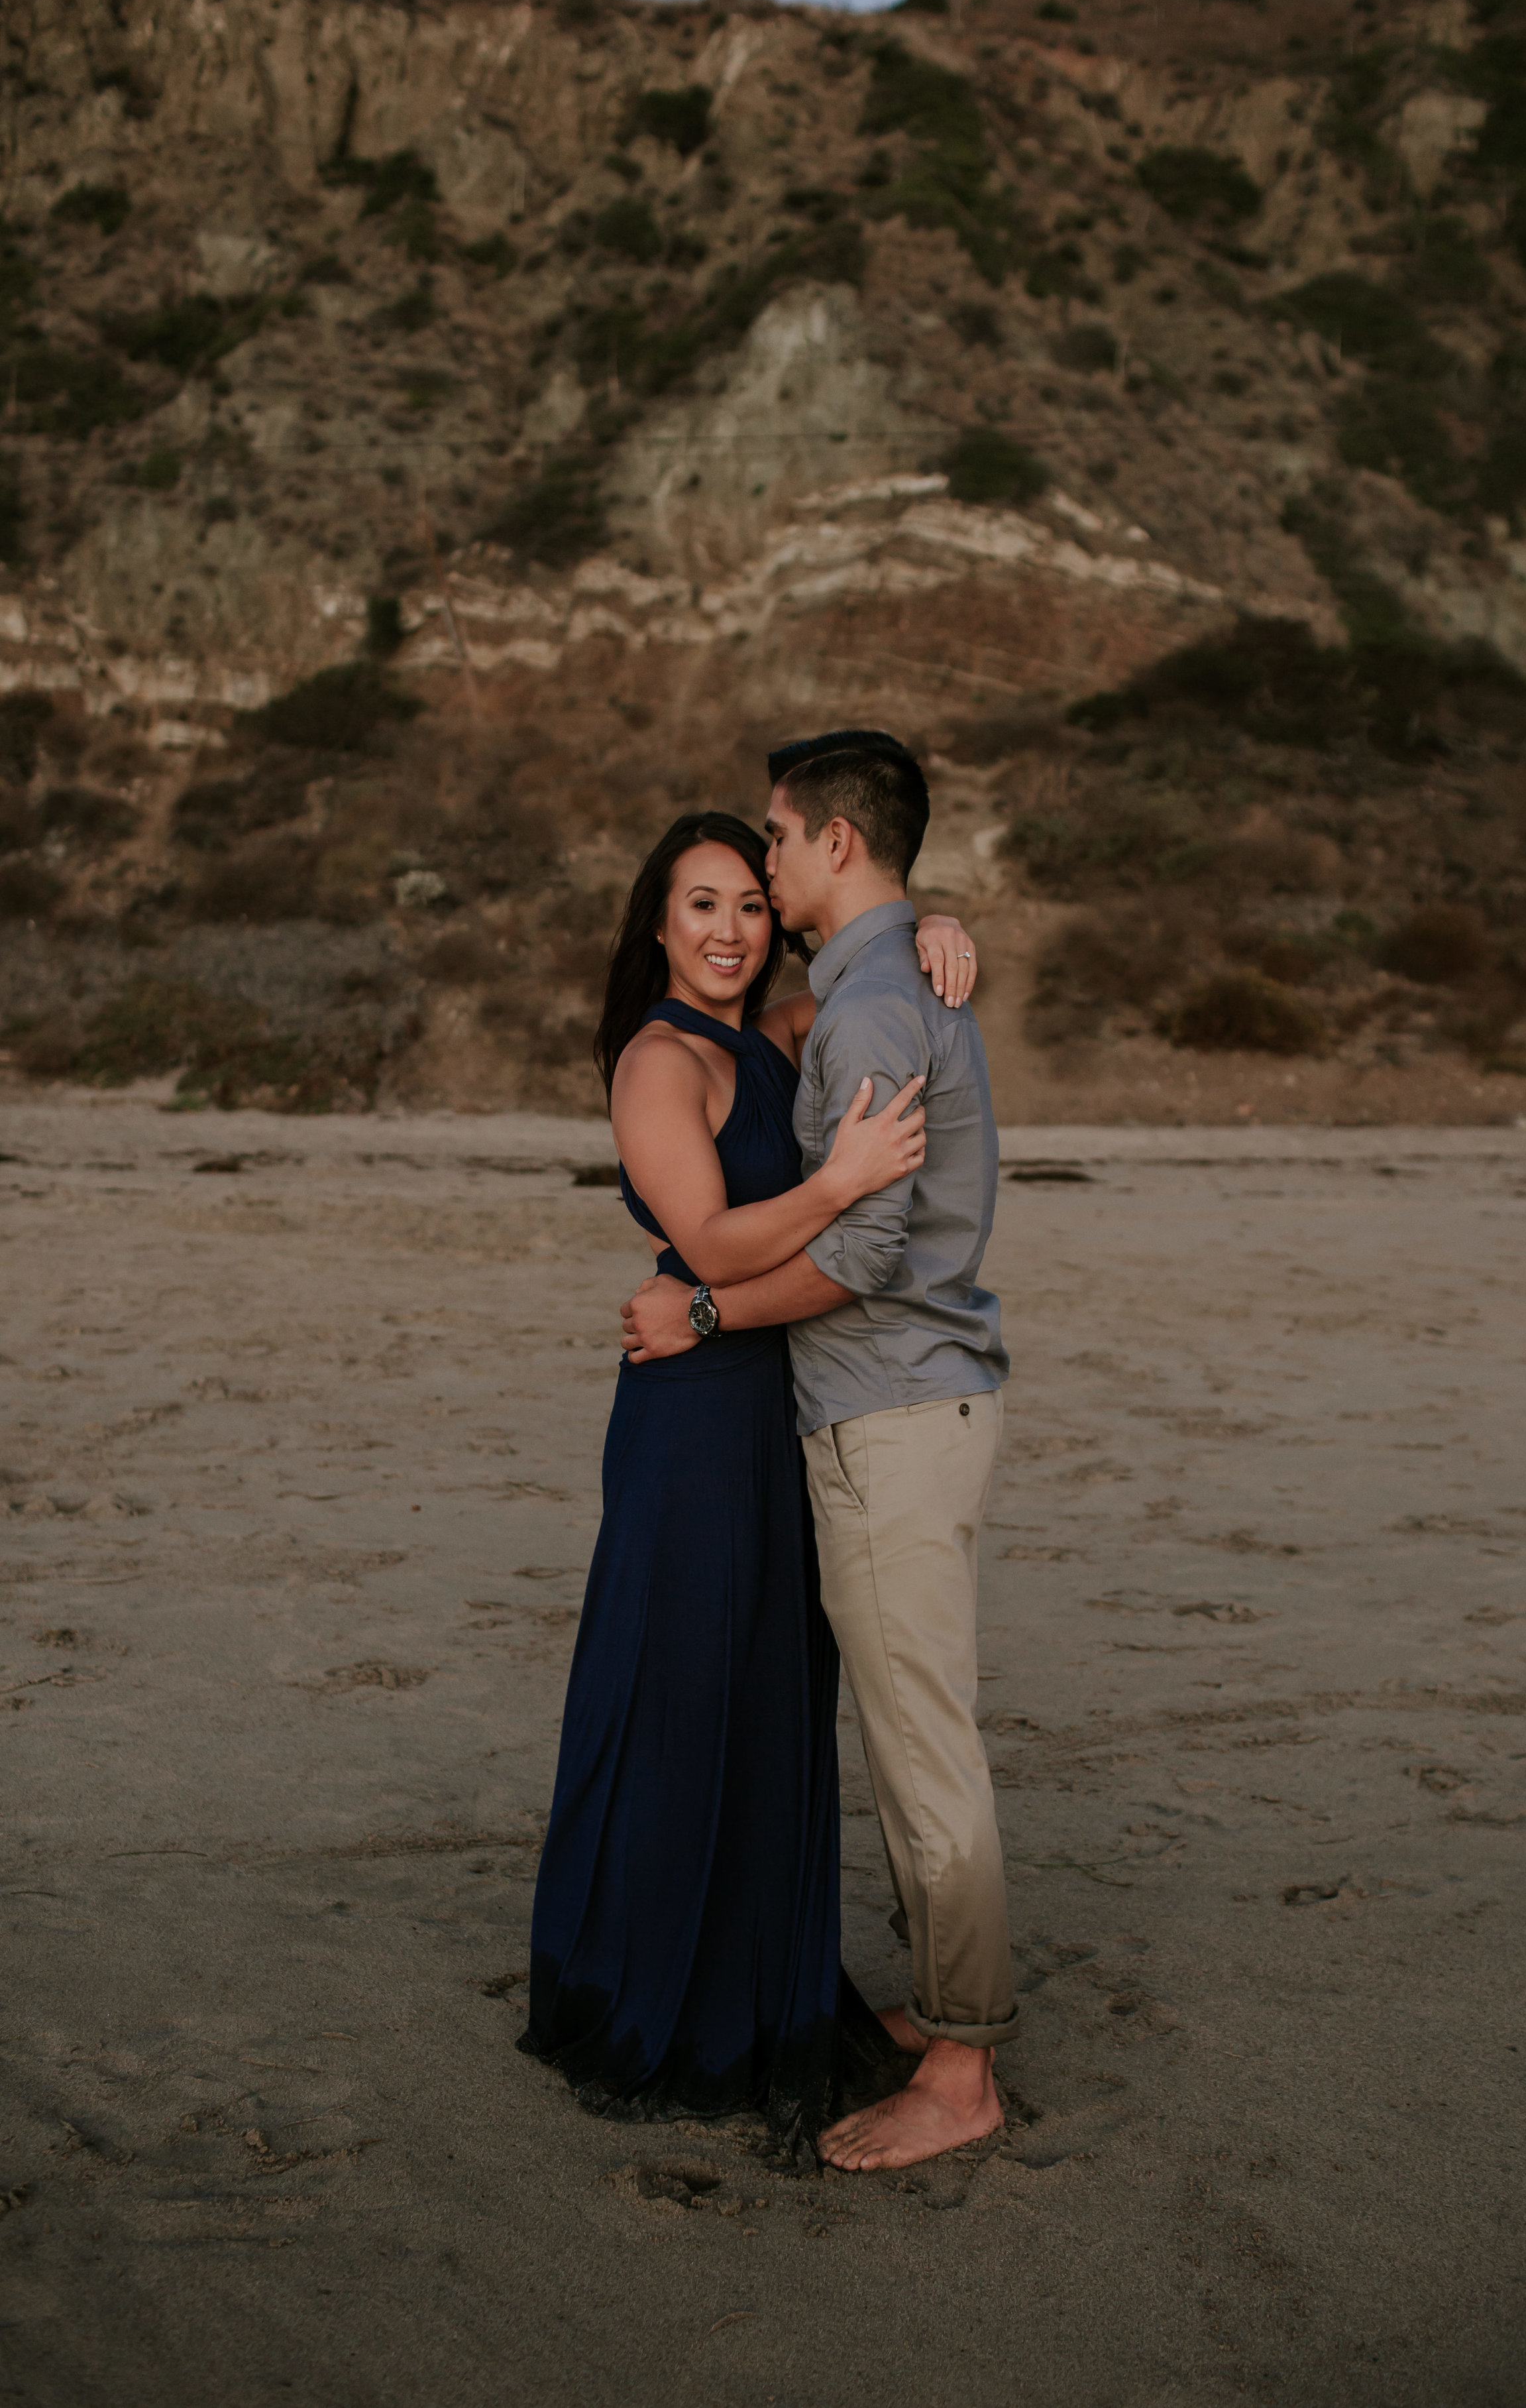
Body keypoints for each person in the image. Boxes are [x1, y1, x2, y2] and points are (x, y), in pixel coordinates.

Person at [518, 807, 980, 2165]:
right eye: (698, 906)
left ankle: (755, 1981)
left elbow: (869, 972)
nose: (727, 930)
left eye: (746, 905)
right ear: (655, 926)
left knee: (768, 1697)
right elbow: (709, 1243)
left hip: (772, 1410)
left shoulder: (767, 1035)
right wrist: (839, 1178)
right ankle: (670, 2003)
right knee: (687, 1690)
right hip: (694, 1421)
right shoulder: (658, 1063)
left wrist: (941, 928)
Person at [623, 731, 1014, 2174]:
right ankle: (940, 2013)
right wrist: (933, 921)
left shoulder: (862, 1011)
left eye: (775, 845)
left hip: (887, 1407)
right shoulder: (867, 983)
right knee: (906, 1736)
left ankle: (962, 2069)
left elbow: (855, 1254)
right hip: (903, 1402)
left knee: (922, 1754)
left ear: (832, 845)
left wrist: (708, 1305)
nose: (763, 871)